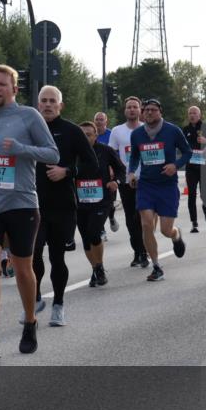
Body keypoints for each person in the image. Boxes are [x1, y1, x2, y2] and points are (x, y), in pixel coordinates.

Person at [0, 64, 59, 356]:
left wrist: (21, 148)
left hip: (22, 203)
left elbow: (52, 153)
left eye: (2, 84)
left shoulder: (29, 116)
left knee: (23, 269)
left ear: (14, 89)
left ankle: (30, 321)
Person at [30, 86, 97, 327]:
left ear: (60, 105)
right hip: (33, 204)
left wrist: (67, 171)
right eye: (44, 101)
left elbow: (91, 163)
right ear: (38, 104)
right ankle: (34, 298)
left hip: (62, 205)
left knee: (57, 257)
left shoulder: (71, 131)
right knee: (33, 254)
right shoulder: (29, 129)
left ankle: (58, 304)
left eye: (52, 101)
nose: (48, 105)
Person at [127, 98, 192, 281]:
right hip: (146, 185)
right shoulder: (137, 134)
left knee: (165, 230)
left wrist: (175, 165)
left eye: (153, 110)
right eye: (146, 110)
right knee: (146, 224)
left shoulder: (173, 130)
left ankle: (176, 235)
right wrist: (131, 173)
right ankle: (156, 266)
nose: (149, 112)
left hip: (167, 186)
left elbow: (187, 152)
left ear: (160, 112)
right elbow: (134, 156)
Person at [77, 121, 126, 287]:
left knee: (94, 232)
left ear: (95, 136)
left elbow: (121, 169)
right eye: (82, 135)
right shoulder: (72, 151)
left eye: (88, 135)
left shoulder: (106, 150)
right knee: (85, 238)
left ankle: (99, 267)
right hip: (80, 201)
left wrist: (116, 181)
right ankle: (95, 269)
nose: (85, 138)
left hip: (102, 199)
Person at [109, 97, 149, 268]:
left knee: (144, 217)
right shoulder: (117, 131)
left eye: (135, 107)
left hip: (146, 179)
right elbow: (112, 154)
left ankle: (145, 251)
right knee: (131, 218)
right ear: (125, 111)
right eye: (129, 107)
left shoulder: (147, 128)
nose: (132, 109)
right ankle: (137, 251)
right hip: (127, 180)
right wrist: (112, 173)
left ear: (140, 110)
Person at [182, 105, 206, 233]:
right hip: (191, 166)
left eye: (194, 113)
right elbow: (180, 145)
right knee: (191, 194)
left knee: (205, 194)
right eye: (190, 113)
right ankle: (194, 223)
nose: (192, 115)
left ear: (199, 115)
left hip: (205, 166)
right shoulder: (185, 130)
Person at [94, 111, 120, 234]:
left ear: (106, 121)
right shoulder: (91, 135)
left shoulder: (111, 135)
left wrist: (112, 168)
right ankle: (101, 229)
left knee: (109, 202)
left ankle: (111, 217)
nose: (99, 122)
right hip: (94, 173)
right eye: (97, 119)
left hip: (109, 173)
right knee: (96, 200)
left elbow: (116, 154)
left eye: (101, 119)